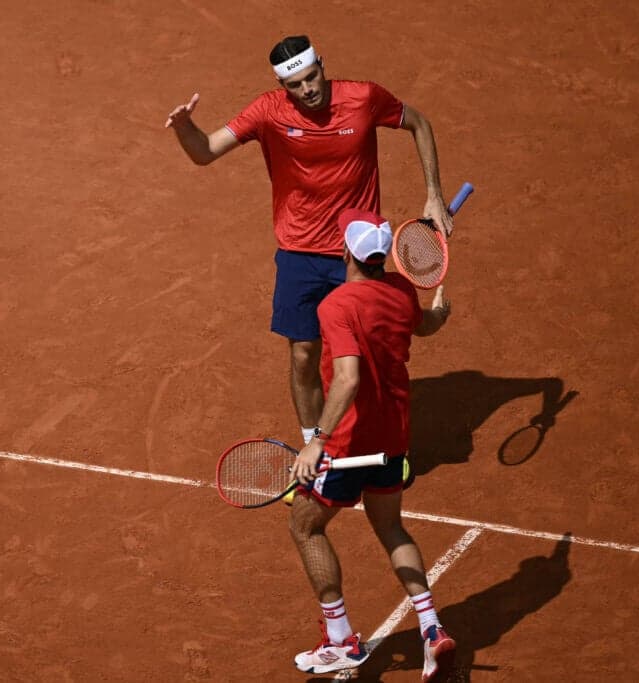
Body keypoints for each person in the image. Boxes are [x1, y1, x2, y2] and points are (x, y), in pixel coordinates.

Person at [165, 35, 454, 446]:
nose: (308, 89)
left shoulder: (364, 98)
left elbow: (419, 124)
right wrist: (184, 127)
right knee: (303, 355)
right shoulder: (268, 111)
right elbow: (206, 150)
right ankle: (314, 451)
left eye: (312, 77)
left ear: (322, 64)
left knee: (370, 358)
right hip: (298, 254)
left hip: (356, 254)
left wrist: (434, 194)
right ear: (284, 87)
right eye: (296, 85)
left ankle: (383, 444)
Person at [287, 208, 455, 681]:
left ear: (345, 251)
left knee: (305, 527)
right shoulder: (402, 292)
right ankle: (431, 630)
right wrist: (440, 312)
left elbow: (347, 377)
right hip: (394, 436)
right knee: (393, 529)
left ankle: (340, 640)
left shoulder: (335, 306)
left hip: (348, 444)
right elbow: (425, 325)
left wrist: (316, 441)